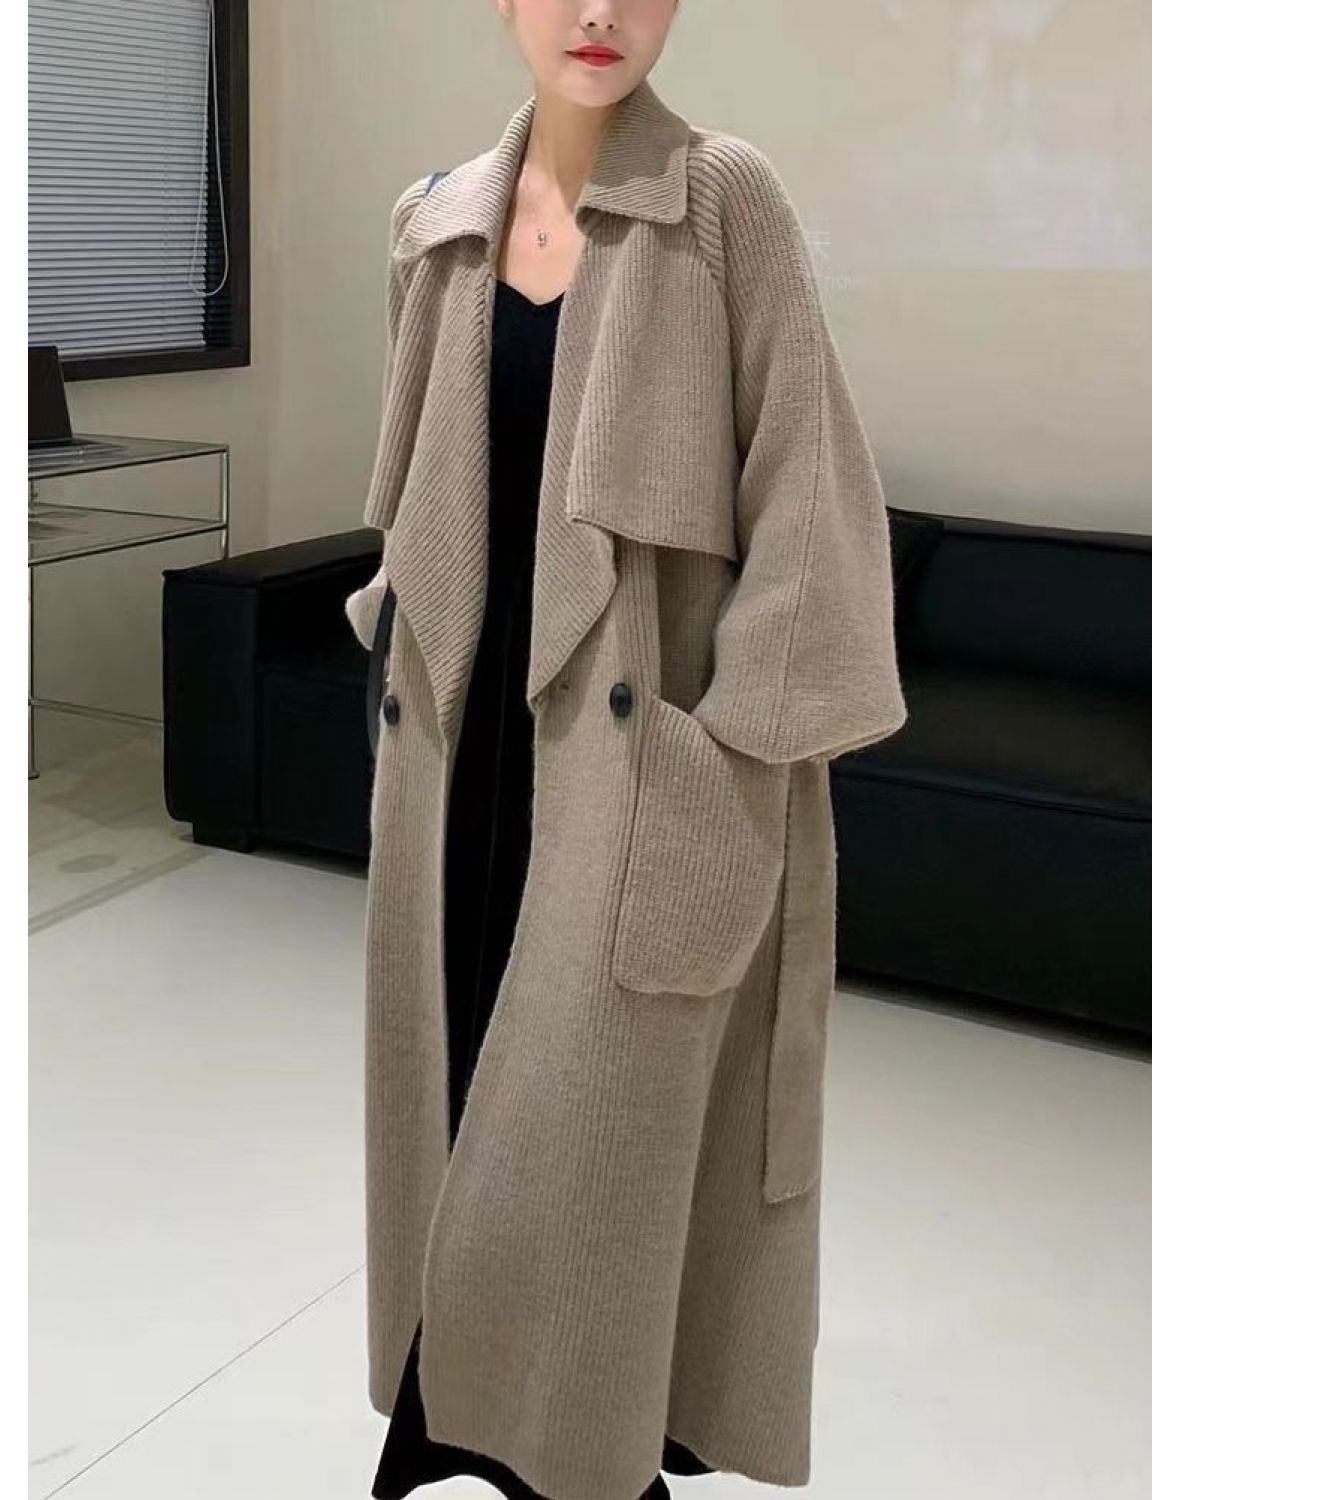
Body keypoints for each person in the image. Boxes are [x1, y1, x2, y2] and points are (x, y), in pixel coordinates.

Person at [348, 4, 908, 1497]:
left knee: (593, 1161)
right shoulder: (433, 227)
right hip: (457, 766)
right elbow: (405, 499)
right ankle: (455, 1419)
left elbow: (814, 503)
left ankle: (587, 1457)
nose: (597, 12)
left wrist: (724, 764)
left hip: (629, 775)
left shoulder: (722, 200)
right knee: (453, 1105)